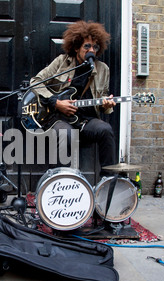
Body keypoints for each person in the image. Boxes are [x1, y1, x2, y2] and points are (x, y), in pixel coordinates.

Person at [30, 20, 117, 173]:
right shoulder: (62, 62)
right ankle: (58, 180)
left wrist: (106, 105)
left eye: (95, 47)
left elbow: (102, 99)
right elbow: (35, 82)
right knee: (66, 134)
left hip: (86, 120)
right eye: (87, 46)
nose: (91, 50)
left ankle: (107, 181)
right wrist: (56, 102)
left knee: (106, 130)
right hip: (58, 118)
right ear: (77, 47)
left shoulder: (103, 69)